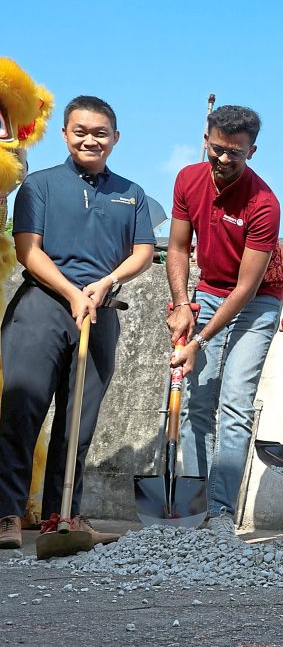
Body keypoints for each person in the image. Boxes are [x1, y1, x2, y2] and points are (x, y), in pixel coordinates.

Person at [0, 96, 154, 549]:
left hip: (100, 310)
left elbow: (143, 252)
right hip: (42, 308)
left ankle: (63, 516)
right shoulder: (40, 186)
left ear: (115, 138)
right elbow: (29, 248)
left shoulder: (132, 193)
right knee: (20, 412)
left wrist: (105, 283)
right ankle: (6, 515)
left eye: (100, 133)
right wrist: (71, 292)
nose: (91, 139)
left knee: (79, 422)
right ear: (66, 134)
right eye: (81, 131)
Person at [167, 104, 283, 531]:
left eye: (234, 153)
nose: (222, 159)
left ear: (252, 151)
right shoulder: (187, 179)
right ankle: (192, 505)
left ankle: (219, 512)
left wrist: (199, 340)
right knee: (195, 402)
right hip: (207, 291)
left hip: (256, 301)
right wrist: (183, 304)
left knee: (234, 403)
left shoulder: (264, 203)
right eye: (217, 149)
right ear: (206, 139)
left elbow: (247, 288)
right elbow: (179, 248)